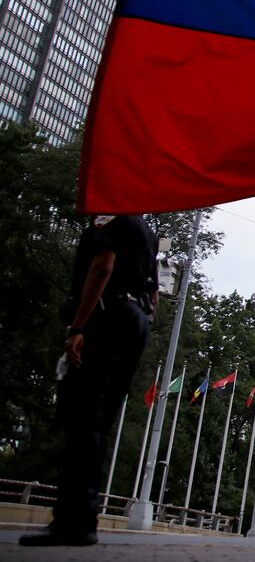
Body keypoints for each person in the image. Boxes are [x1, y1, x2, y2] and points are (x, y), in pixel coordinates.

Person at [21, 215, 159, 547]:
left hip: (106, 316)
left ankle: (74, 520)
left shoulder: (109, 223)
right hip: (135, 320)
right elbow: (154, 292)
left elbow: (102, 267)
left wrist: (78, 327)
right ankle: (83, 515)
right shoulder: (146, 231)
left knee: (81, 418)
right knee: (99, 421)